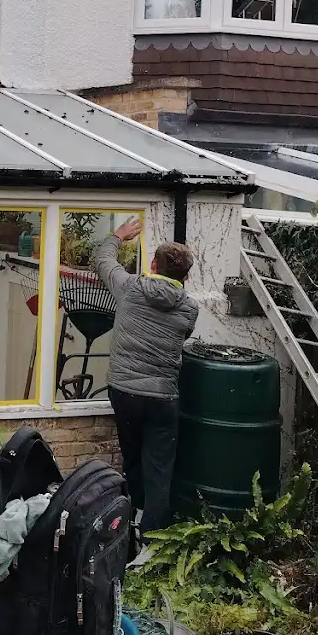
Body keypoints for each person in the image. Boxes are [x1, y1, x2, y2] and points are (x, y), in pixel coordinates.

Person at [93, 216, 198, 544]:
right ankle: (152, 542)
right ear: (186, 275)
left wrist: (118, 235)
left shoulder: (129, 288)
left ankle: (131, 525)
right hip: (162, 398)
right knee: (159, 470)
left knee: (133, 457)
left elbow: (102, 260)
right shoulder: (190, 310)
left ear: (152, 264)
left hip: (124, 392)